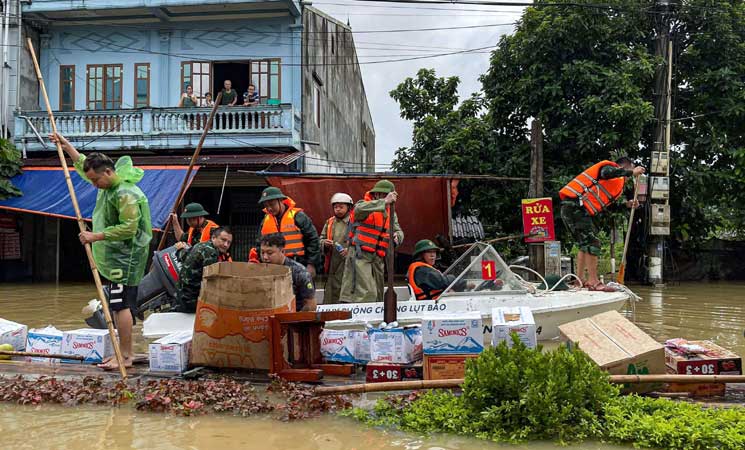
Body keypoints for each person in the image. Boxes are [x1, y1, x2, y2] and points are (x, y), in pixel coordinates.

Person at [50, 133, 152, 370]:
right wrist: (66, 146)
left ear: (108, 172)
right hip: (117, 256)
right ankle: (127, 351)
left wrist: (94, 236)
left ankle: (125, 355)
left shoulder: (125, 193)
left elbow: (129, 228)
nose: (93, 185)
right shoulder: (108, 185)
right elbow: (83, 163)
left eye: (96, 180)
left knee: (120, 304)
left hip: (126, 258)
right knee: (119, 304)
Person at [559, 156, 645, 291]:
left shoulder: (616, 184)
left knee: (584, 244)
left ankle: (579, 280)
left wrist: (626, 204)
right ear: (625, 167)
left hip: (576, 208)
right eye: (631, 170)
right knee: (593, 242)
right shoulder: (610, 169)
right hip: (575, 205)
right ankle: (594, 282)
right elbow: (607, 172)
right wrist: (630, 172)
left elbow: (607, 206)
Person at [340, 180, 403, 303]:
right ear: (376, 194)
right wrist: (383, 202)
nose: (385, 197)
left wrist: (397, 237)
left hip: (377, 258)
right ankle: (361, 319)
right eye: (382, 195)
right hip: (360, 255)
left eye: (387, 195)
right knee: (366, 292)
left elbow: (398, 230)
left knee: (378, 293)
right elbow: (358, 210)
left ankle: (377, 318)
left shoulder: (391, 213)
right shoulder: (364, 205)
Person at [252, 186, 321, 277]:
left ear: (281, 201)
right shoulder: (265, 221)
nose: (269, 208)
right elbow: (259, 244)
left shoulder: (298, 216)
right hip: (273, 267)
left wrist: (311, 264)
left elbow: (313, 240)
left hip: (298, 264)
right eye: (266, 206)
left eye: (272, 204)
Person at [174, 227, 233, 313]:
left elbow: (182, 256)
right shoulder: (211, 253)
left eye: (229, 242)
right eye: (223, 240)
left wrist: (180, 249)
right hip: (191, 301)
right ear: (213, 238)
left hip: (180, 296)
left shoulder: (200, 245)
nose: (226, 245)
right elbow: (212, 284)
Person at [259, 233, 316, 311]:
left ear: (282, 251)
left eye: (270, 253)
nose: (265, 257)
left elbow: (310, 305)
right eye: (262, 253)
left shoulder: (299, 272)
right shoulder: (259, 271)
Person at [320, 193, 353, 304]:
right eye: (335, 207)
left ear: (348, 207)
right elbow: (321, 239)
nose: (338, 209)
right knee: (331, 291)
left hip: (349, 263)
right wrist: (324, 243)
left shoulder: (354, 222)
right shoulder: (329, 222)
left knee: (346, 290)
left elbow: (361, 241)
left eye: (341, 207)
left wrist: (350, 250)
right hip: (332, 263)